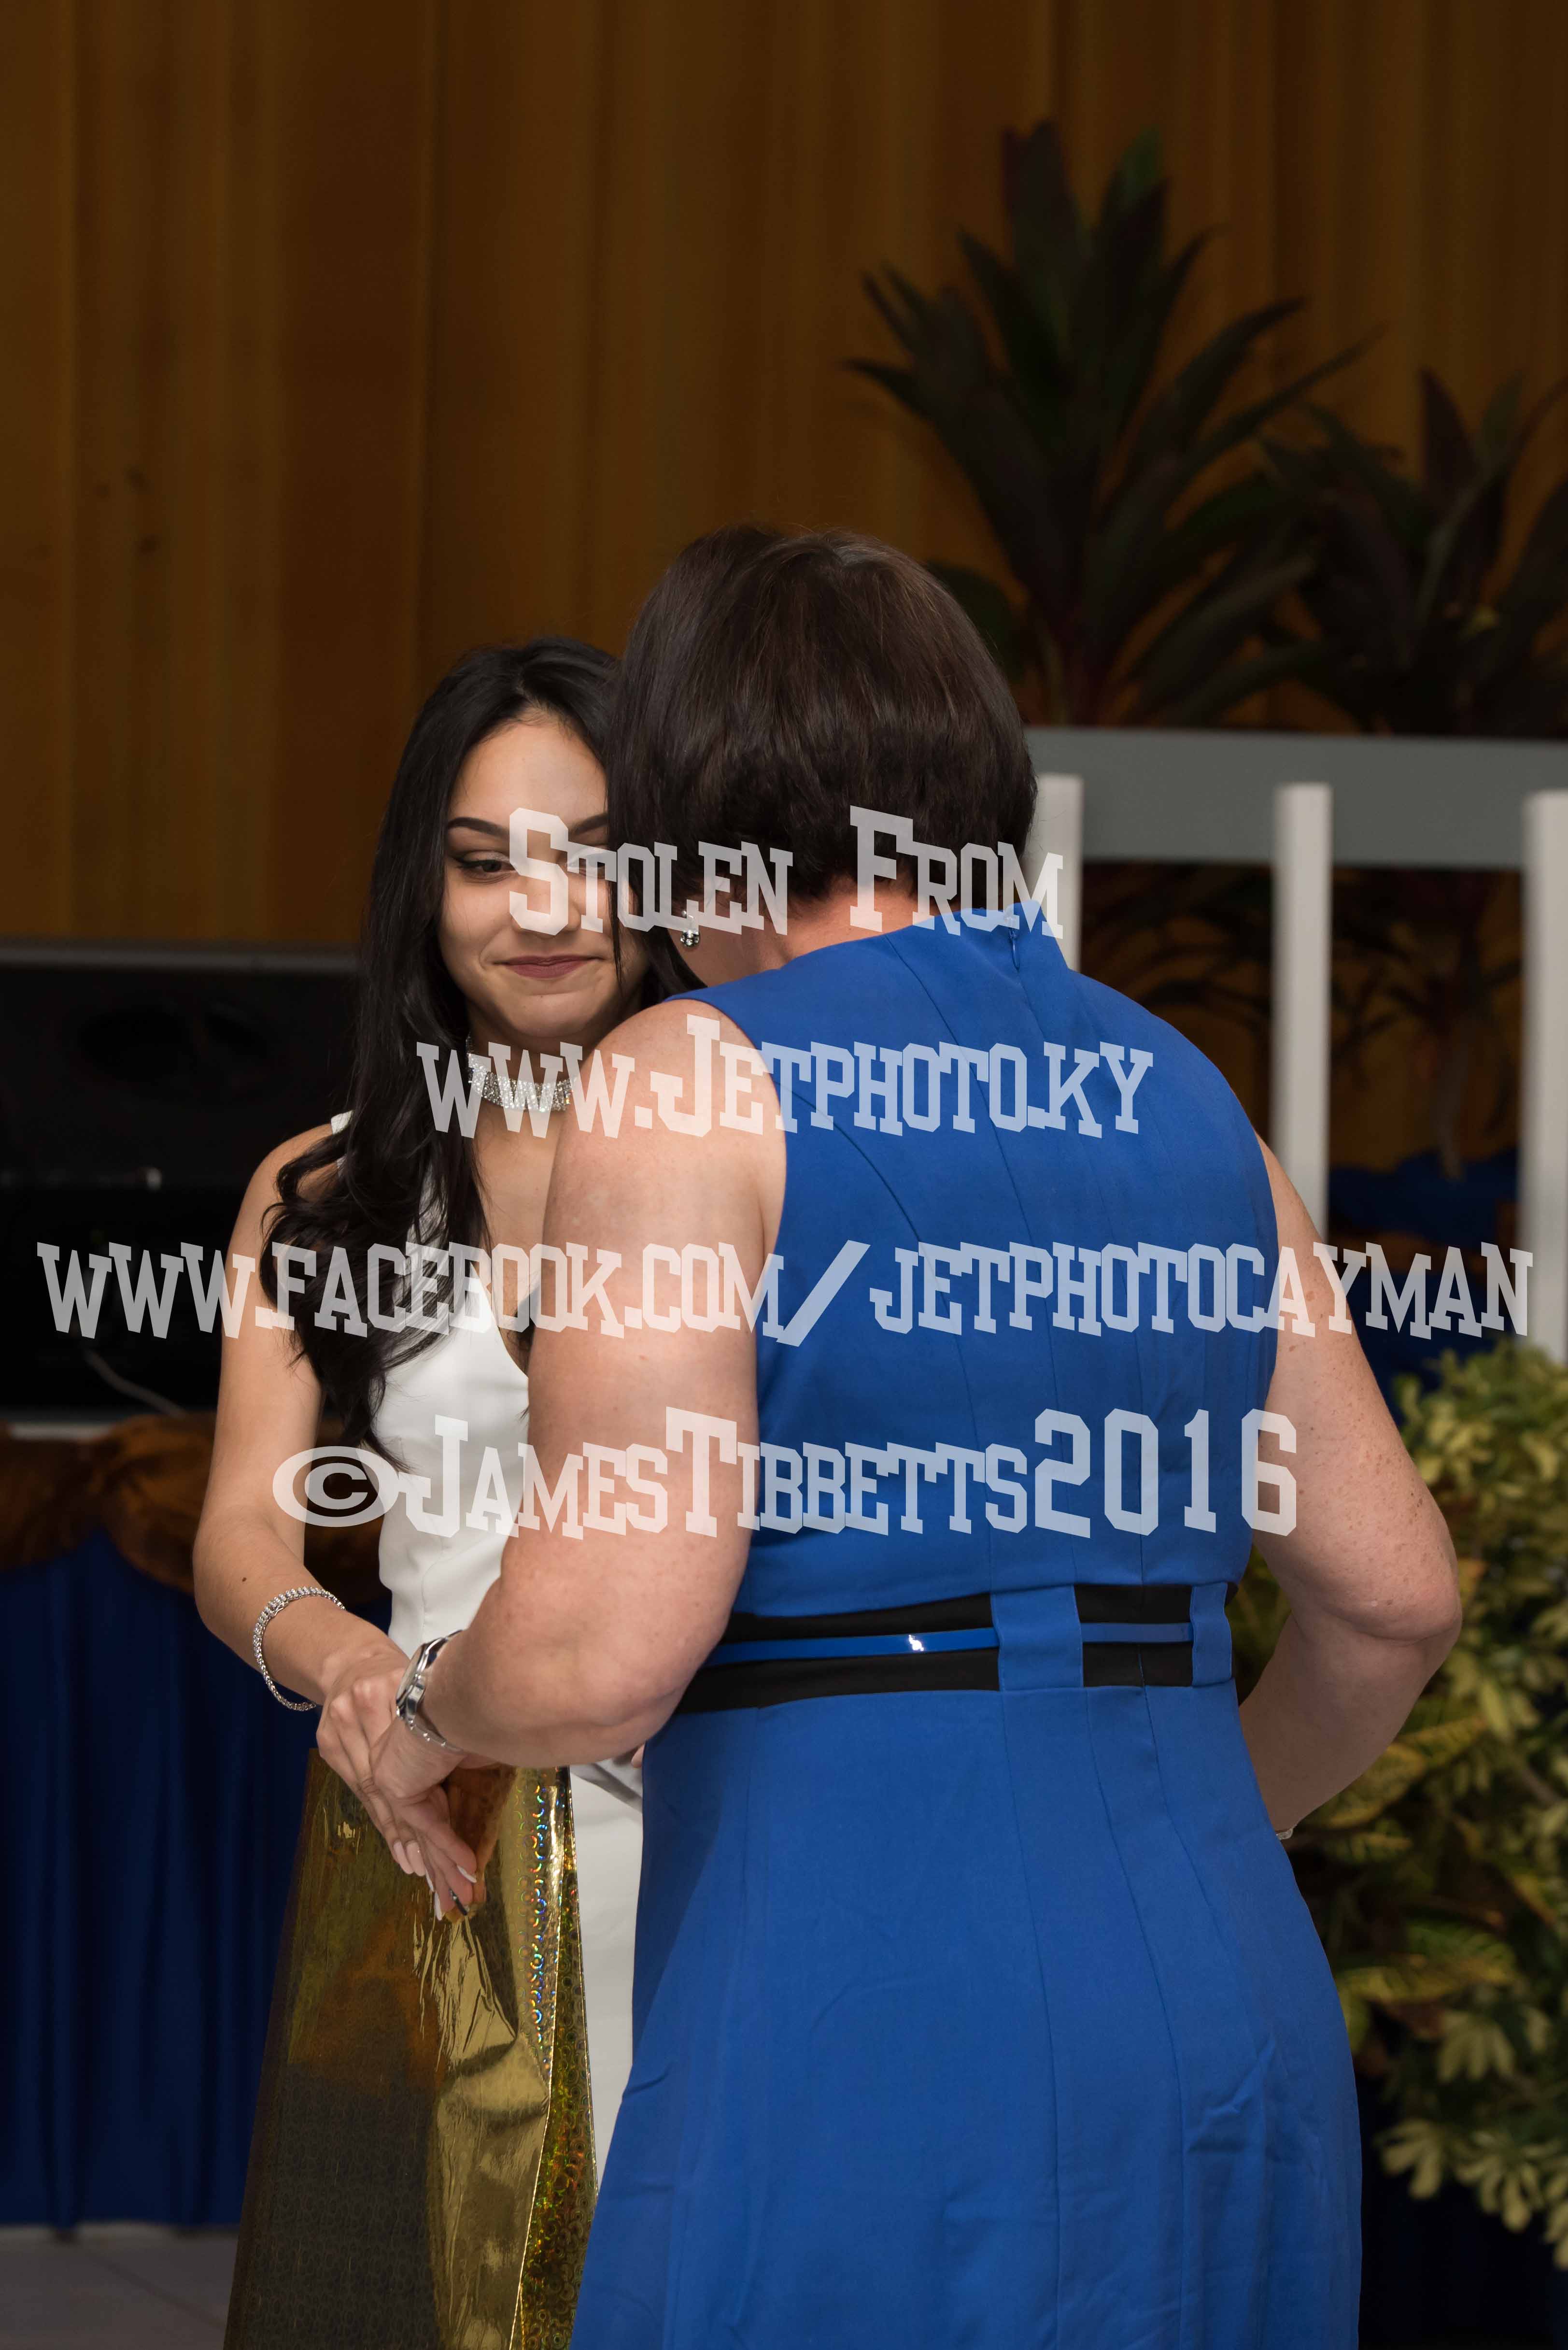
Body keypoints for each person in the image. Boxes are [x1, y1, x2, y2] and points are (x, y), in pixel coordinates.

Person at [367, 530, 1462, 2349]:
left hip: (860, 1990)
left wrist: (420, 1718)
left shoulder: (687, 1074)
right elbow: (1396, 1596)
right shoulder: (1177, 1080)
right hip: (1220, 2001)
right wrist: (1216, 1809)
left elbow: (596, 1650)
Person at [194, 640, 651, 2348]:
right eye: (485, 862)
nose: (545, 908)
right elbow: (241, 1526)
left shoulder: (765, 1155)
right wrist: (357, 1672)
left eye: (595, 852)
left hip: (720, 1810)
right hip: (429, 1801)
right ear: (421, 888)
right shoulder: (323, 1187)